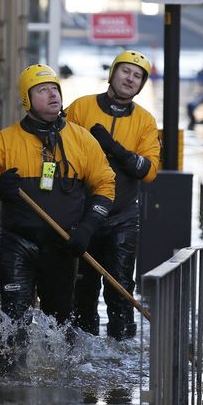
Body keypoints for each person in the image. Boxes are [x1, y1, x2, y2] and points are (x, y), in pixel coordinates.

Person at [0, 64, 116, 375]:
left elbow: (106, 187)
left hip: (64, 245)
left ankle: (58, 386)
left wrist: (88, 228)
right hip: (17, 244)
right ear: (27, 100)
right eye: (42, 90)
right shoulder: (5, 141)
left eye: (55, 89)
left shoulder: (83, 140)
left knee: (60, 324)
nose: (52, 94)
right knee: (14, 318)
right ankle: (10, 385)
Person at [66, 50, 161, 341]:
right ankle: (84, 354)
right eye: (125, 72)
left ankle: (120, 356)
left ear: (142, 84)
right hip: (82, 214)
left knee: (120, 288)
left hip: (122, 216)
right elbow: (57, 148)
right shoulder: (81, 108)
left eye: (137, 76)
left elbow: (147, 170)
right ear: (113, 73)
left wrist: (113, 147)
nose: (130, 79)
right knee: (82, 289)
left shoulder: (145, 121)